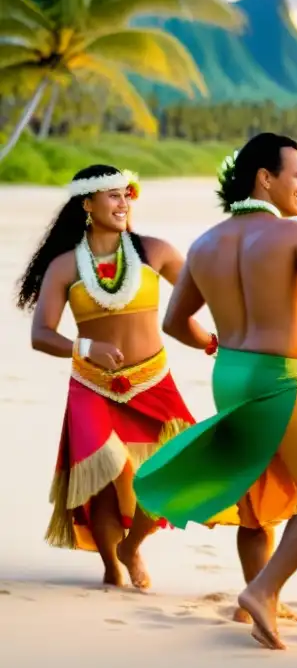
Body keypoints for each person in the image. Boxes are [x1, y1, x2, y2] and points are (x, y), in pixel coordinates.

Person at [131, 133, 297, 649]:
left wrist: (216, 343)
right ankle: (263, 591)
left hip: (231, 374)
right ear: (266, 177)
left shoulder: (205, 243)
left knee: (258, 498)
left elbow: (177, 324)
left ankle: (258, 597)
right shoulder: (294, 235)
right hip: (277, 378)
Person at [15, 165, 209, 590]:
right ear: (87, 204)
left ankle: (131, 545)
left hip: (153, 380)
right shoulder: (65, 266)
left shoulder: (154, 251)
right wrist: (87, 348)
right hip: (92, 385)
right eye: (113, 196)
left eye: (127, 195)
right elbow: (41, 335)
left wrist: (219, 335)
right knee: (102, 477)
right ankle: (111, 567)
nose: (124, 203)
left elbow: (203, 292)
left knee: (169, 473)